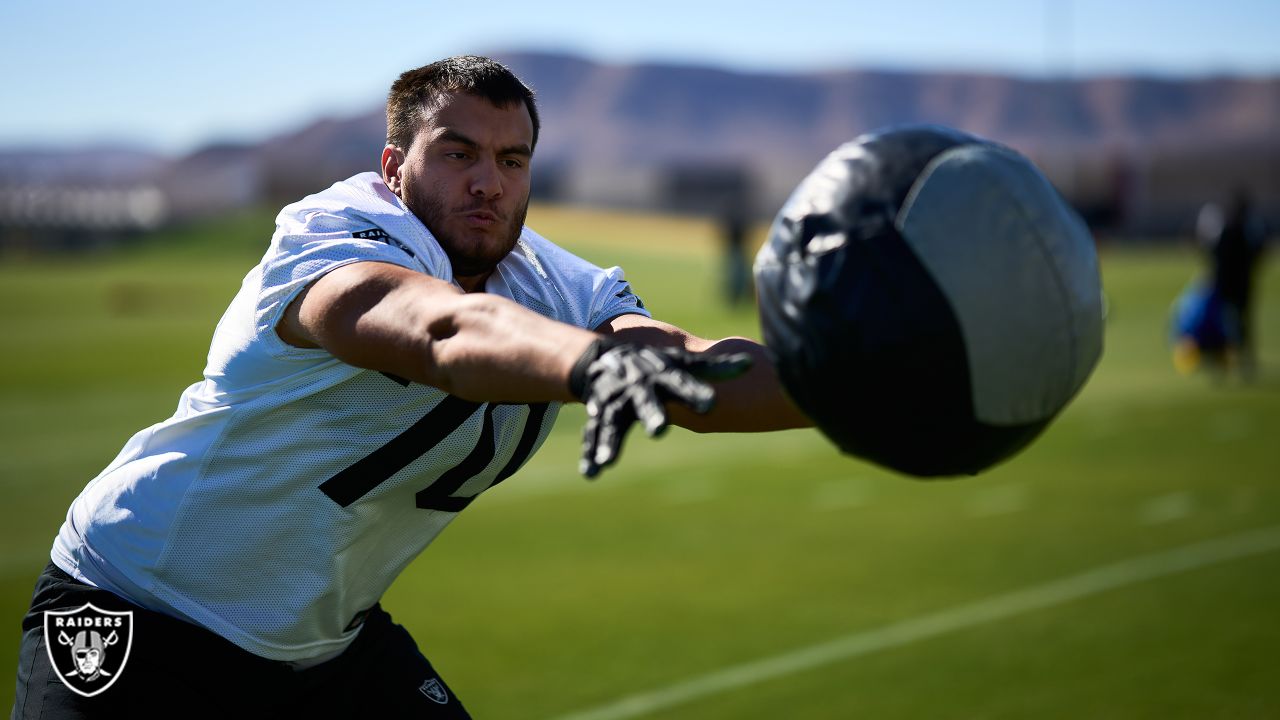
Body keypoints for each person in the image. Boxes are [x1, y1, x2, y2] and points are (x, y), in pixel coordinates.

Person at [11, 56, 810, 719]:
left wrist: (858, 391)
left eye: (511, 160)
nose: (488, 184)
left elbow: (690, 367)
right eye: (458, 153)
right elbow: (438, 331)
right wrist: (592, 366)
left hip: (325, 649)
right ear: (395, 167)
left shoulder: (557, 282)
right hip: (143, 609)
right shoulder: (334, 230)